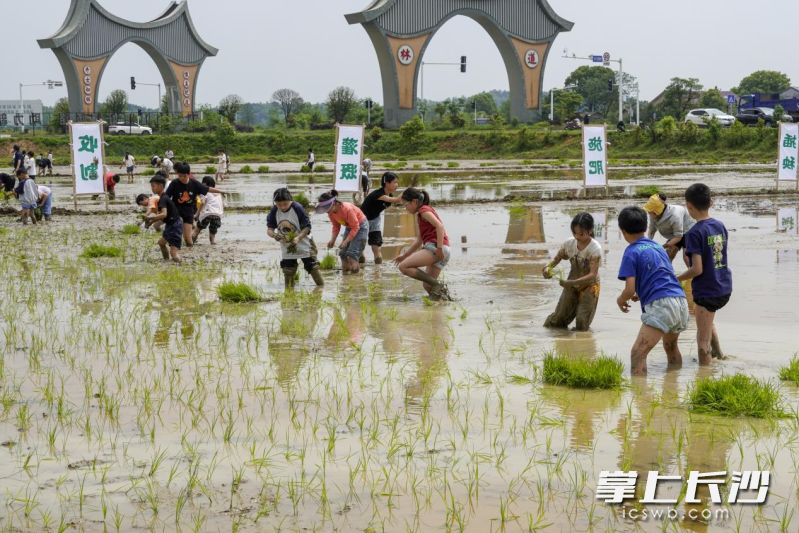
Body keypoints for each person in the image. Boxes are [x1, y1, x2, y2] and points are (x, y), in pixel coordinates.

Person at [617, 206, 688, 375]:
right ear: (645, 227)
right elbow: (661, 276)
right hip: (680, 301)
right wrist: (641, 295)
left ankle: (641, 399)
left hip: (662, 305)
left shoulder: (631, 252)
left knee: (638, 353)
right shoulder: (657, 247)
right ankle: (673, 389)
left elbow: (629, 289)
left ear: (623, 231)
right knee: (671, 348)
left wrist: (621, 300)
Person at [677, 183, 732, 364]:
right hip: (723, 287)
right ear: (711, 202)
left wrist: (675, 279)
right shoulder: (720, 225)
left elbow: (697, 269)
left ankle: (705, 376)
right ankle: (720, 356)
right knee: (708, 323)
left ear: (689, 205)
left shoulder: (694, 233)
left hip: (707, 290)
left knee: (702, 340)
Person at [543, 213, 602, 331]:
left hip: (590, 286)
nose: (577, 236)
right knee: (558, 318)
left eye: (581, 233)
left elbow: (592, 275)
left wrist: (572, 282)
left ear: (590, 231)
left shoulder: (595, 249)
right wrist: (548, 268)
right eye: (574, 233)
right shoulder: (569, 244)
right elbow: (557, 258)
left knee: (582, 322)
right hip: (571, 283)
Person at [393, 188, 452, 301]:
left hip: (436, 248)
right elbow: (419, 241)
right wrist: (404, 256)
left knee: (403, 266)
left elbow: (439, 226)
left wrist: (439, 248)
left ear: (414, 201)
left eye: (405, 205)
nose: (406, 209)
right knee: (427, 286)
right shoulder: (422, 215)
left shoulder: (423, 211)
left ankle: (437, 284)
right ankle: (443, 303)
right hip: (442, 249)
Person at [268, 188, 324, 288]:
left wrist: (298, 238)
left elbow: (307, 227)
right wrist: (274, 235)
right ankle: (289, 295)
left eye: (285, 204)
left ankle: (321, 288)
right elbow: (269, 229)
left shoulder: (297, 208)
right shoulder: (274, 210)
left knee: (312, 267)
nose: (282, 207)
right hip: (287, 245)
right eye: (279, 204)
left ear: (290, 200)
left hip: (305, 243)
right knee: (288, 270)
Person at [165, 162, 226, 247]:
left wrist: (220, 191)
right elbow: (166, 197)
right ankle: (174, 243)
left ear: (188, 174)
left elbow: (207, 189)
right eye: (180, 176)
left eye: (184, 176)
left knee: (188, 240)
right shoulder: (174, 183)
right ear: (177, 174)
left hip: (188, 211)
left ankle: (188, 251)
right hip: (177, 210)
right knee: (178, 226)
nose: (182, 178)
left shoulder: (194, 183)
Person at [315, 190, 368, 274]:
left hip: (360, 226)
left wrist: (346, 241)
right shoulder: (331, 213)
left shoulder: (347, 209)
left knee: (352, 255)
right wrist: (333, 239)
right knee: (343, 254)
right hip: (349, 226)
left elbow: (355, 226)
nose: (327, 212)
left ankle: (356, 281)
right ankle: (346, 277)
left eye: (327, 209)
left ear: (333, 204)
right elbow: (336, 226)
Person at [359, 172, 402, 264]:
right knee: (359, 248)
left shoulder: (390, 196)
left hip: (375, 220)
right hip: (361, 220)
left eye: (397, 182)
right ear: (387, 183)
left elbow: (399, 201)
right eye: (394, 182)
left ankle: (378, 272)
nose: (396, 185)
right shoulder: (378, 194)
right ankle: (360, 269)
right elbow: (397, 200)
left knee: (376, 247)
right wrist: (408, 190)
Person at [642, 194, 695, 262]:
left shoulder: (675, 216)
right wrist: (648, 245)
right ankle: (668, 272)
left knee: (687, 257)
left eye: (650, 211)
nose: (648, 212)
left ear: (656, 211)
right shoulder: (653, 215)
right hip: (675, 233)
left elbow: (678, 237)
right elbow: (652, 230)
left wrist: (661, 247)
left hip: (689, 229)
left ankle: (694, 272)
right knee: (667, 255)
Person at [148, 175, 183, 263]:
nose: (152, 188)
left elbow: (163, 214)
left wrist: (150, 218)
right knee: (161, 243)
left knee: (173, 252)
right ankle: (166, 262)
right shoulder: (163, 198)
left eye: (153, 186)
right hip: (172, 224)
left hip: (175, 225)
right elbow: (163, 216)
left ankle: (180, 267)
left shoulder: (163, 199)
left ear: (161, 186)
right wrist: (151, 221)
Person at [193, 176, 224, 244]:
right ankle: (213, 243)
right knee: (213, 232)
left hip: (207, 213)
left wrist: (197, 214)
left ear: (204, 184)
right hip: (218, 215)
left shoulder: (204, 192)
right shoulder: (218, 193)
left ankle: (190, 244)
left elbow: (203, 202)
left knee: (197, 230)